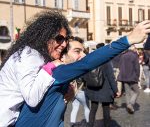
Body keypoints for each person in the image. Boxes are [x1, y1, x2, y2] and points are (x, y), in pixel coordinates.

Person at [0, 16, 150, 126]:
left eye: (65, 41)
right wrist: (128, 39)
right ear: (62, 57)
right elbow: (88, 63)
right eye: (77, 51)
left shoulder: (52, 76)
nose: (83, 55)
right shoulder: (55, 72)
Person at [0, 10, 72, 126]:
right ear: (45, 37)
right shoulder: (30, 55)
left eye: (66, 39)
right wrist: (49, 68)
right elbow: (32, 98)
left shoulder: (35, 55)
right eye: (59, 38)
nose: (64, 44)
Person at [85, 43, 119, 127]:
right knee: (106, 111)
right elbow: (111, 77)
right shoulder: (106, 60)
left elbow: (85, 74)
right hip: (105, 90)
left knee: (93, 110)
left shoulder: (92, 59)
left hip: (93, 88)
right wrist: (116, 90)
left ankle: (90, 125)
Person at [117, 46, 140, 114]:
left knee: (127, 93)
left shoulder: (123, 56)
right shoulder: (134, 56)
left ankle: (129, 107)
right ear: (132, 49)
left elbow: (120, 66)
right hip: (132, 77)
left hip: (124, 77)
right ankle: (130, 104)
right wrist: (137, 77)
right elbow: (137, 68)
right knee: (137, 91)